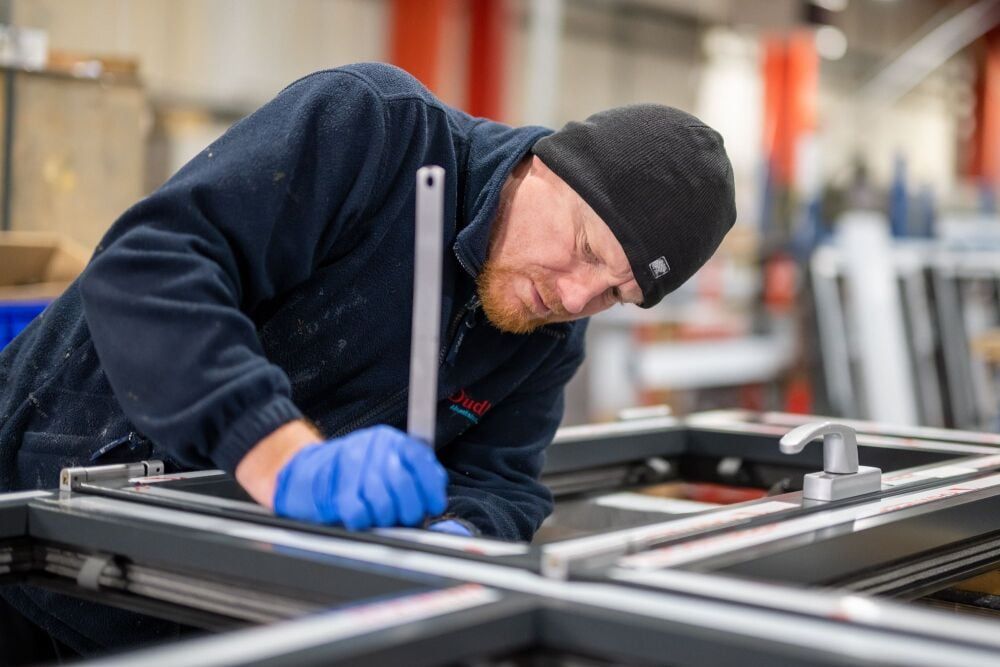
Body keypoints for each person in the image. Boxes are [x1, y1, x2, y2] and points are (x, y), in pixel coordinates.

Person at [0, 62, 735, 659]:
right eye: (584, 249)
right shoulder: (372, 130)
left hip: (203, 617)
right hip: (29, 543)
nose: (575, 297)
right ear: (547, 163)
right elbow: (148, 269)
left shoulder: (546, 335)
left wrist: (462, 536)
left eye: (615, 293)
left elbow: (501, 479)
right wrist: (284, 458)